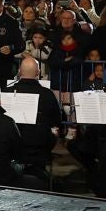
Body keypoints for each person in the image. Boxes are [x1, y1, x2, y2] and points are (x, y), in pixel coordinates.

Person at [7, 57, 64, 185]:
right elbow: (57, 122)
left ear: (20, 72)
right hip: (39, 147)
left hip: (11, 146)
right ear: (38, 73)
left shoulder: (7, 92)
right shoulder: (48, 94)